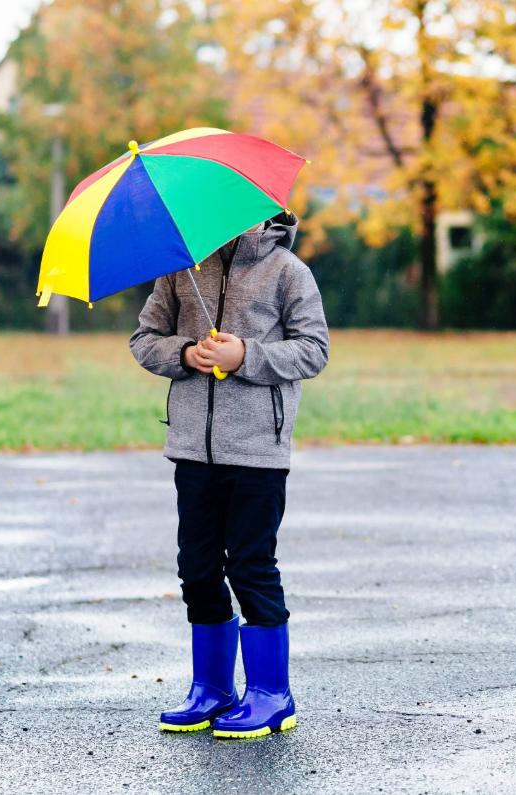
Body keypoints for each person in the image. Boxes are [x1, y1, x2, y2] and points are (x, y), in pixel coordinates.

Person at [129, 210, 329, 739]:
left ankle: (271, 695)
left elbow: (314, 350)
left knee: (250, 566)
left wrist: (246, 354)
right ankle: (212, 689)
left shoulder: (288, 272)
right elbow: (144, 337)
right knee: (196, 568)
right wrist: (185, 353)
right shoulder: (180, 271)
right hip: (193, 449)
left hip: (258, 452)